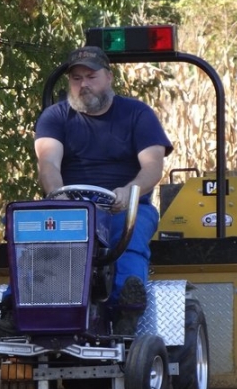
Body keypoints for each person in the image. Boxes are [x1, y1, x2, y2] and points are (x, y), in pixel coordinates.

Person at [19, 46, 172, 336]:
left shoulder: (137, 114)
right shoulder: (55, 117)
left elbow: (153, 167)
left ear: (109, 77)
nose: (83, 84)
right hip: (71, 205)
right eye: (76, 78)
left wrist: (130, 192)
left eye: (91, 76)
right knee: (35, 231)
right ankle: (17, 305)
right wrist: (58, 194)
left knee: (128, 231)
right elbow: (48, 163)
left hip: (123, 204)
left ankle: (127, 308)